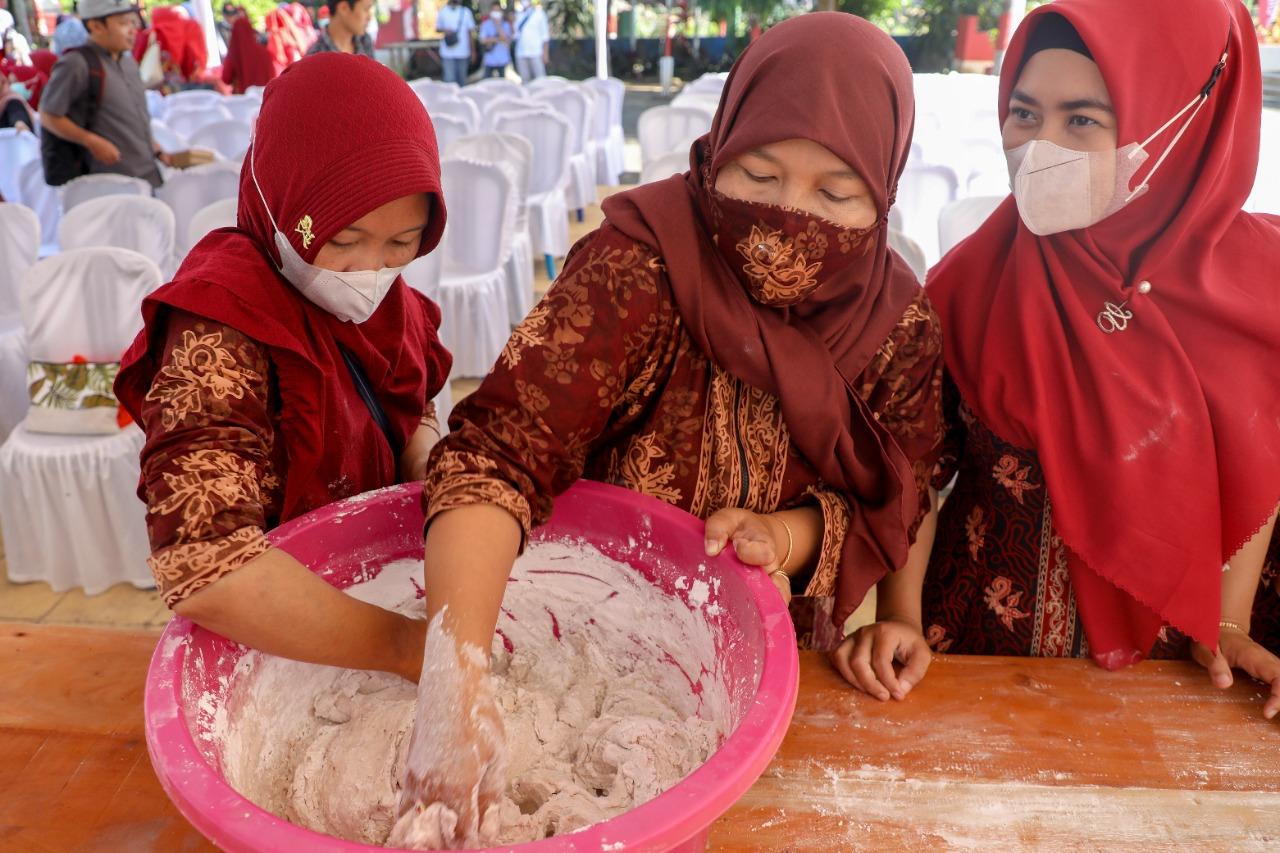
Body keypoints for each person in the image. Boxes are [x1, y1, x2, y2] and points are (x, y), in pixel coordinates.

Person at [390, 13, 944, 847]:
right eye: (756, 172)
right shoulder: (636, 265)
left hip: (786, 661)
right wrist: (453, 687)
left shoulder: (894, 320)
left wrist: (790, 540)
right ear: (717, 148)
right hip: (583, 639)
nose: (785, 217)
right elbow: (497, 454)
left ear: (885, 187)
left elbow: (903, 485)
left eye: (834, 194)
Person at [844, 0, 1280, 721]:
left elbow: (1260, 460)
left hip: (1188, 678)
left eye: (1081, 119)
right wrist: (901, 617)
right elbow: (912, 466)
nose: (1040, 145)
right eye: (1024, 112)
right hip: (976, 664)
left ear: (1179, 118)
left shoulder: (1258, 289)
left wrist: (1230, 624)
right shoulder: (971, 282)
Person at [114, 53, 452, 687]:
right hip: (279, 630)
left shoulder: (392, 304)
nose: (367, 271)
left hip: (381, 584)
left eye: (402, 243)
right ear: (280, 205)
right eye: (345, 239)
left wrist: (427, 462)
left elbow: (411, 404)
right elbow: (206, 565)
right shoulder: (219, 326)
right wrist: (413, 649)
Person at [40, 0, 168, 189]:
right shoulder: (76, 64)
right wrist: (90, 140)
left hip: (148, 174)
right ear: (96, 26)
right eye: (124, 23)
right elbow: (48, 115)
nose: (133, 29)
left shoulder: (128, 62)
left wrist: (152, 146)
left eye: (133, 22)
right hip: (109, 183)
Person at [132, 5, 208, 90]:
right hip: (186, 88)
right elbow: (196, 60)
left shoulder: (149, 36)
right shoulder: (190, 28)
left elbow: (135, 62)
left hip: (154, 91)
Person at [220, 9, 276, 93]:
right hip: (265, 97)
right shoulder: (264, 53)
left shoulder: (233, 55)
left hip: (244, 101)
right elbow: (272, 76)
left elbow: (226, 79)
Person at [307, 0, 373, 57]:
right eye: (366, 9)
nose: (369, 17)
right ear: (344, 8)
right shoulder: (315, 55)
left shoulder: (365, 41)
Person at [436, 0, 474, 85]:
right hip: (447, 53)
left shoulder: (466, 12)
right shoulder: (443, 11)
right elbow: (438, 28)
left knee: (462, 80)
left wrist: (473, 51)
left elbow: (470, 33)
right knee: (449, 81)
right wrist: (445, 30)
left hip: (463, 52)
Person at [511, 0, 546, 81]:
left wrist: (545, 53)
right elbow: (515, 35)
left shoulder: (539, 13)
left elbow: (545, 36)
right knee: (525, 80)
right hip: (520, 53)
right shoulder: (517, 15)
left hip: (536, 52)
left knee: (540, 79)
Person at [477, 0, 510, 79]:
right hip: (489, 60)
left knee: (502, 85)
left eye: (498, 10)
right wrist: (498, 39)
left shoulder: (505, 24)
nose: (496, 13)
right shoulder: (485, 24)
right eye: (494, 10)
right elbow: (482, 40)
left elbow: (506, 39)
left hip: (502, 60)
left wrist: (498, 25)